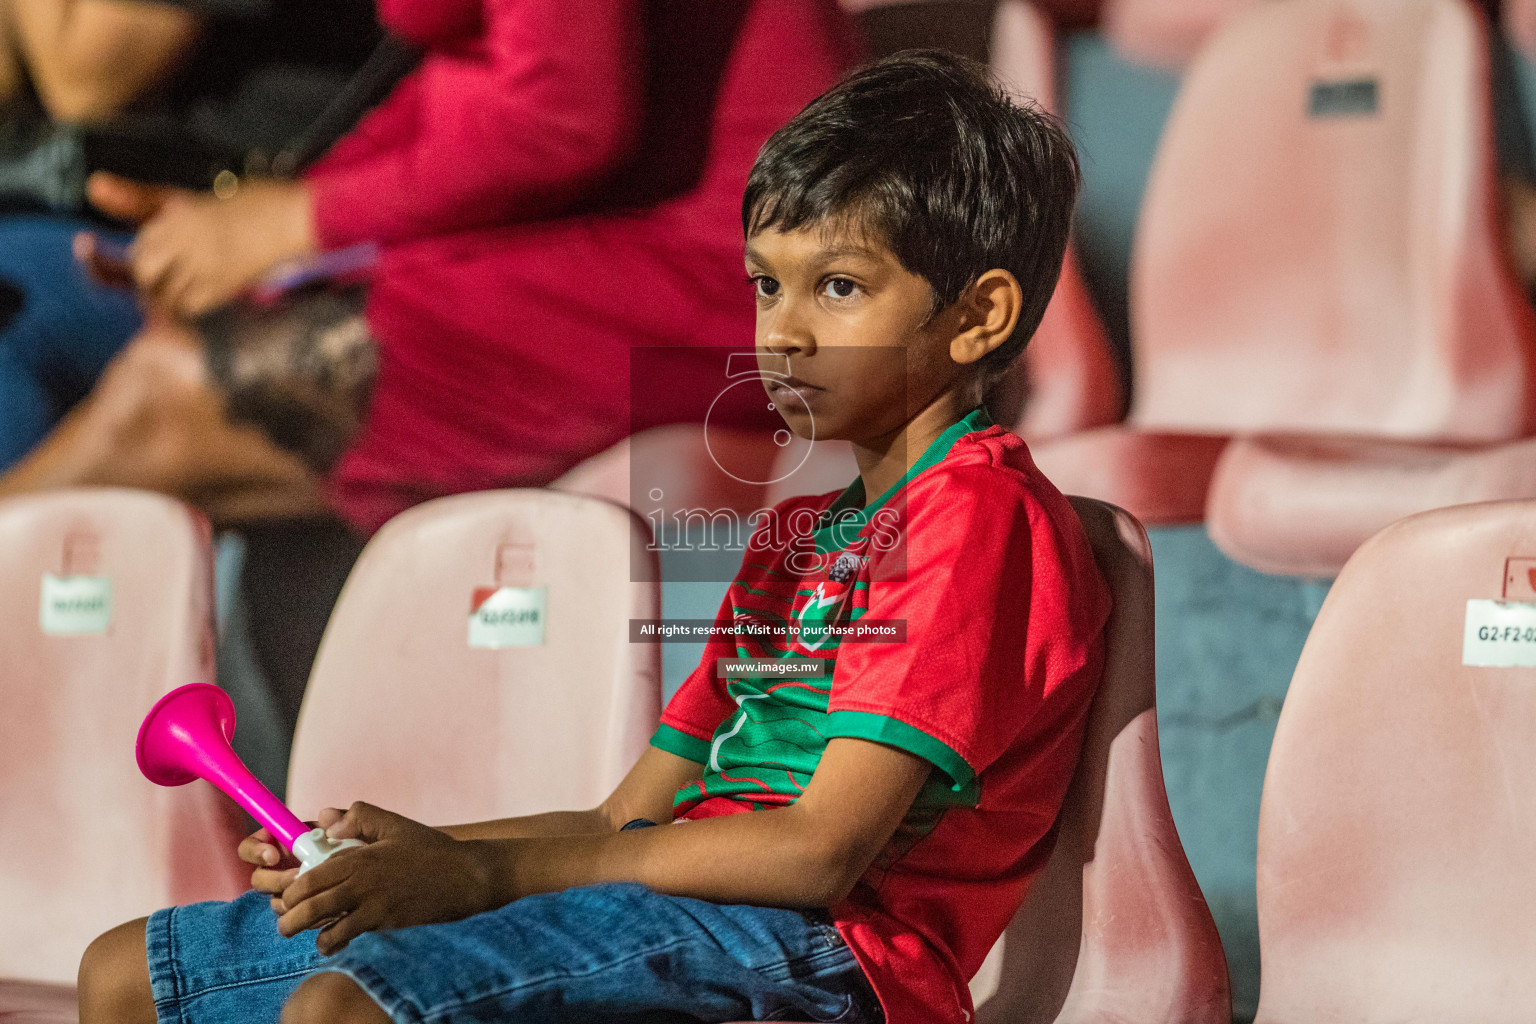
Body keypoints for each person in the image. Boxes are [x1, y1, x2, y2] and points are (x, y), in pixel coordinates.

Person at [74, 51, 1111, 1024]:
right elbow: (627, 819)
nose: (782, 331)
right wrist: (402, 851)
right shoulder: (798, 535)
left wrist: (480, 879)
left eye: (838, 287)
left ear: (976, 318)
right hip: (675, 913)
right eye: (766, 283)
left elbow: (818, 853)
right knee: (122, 974)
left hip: (828, 958)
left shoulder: (977, 520)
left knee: (348, 1005)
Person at [0, 0, 857, 532]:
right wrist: (240, 233)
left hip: (754, 280)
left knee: (175, 393)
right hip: (634, 241)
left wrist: (289, 223)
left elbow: (562, 115)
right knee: (179, 351)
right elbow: (466, 84)